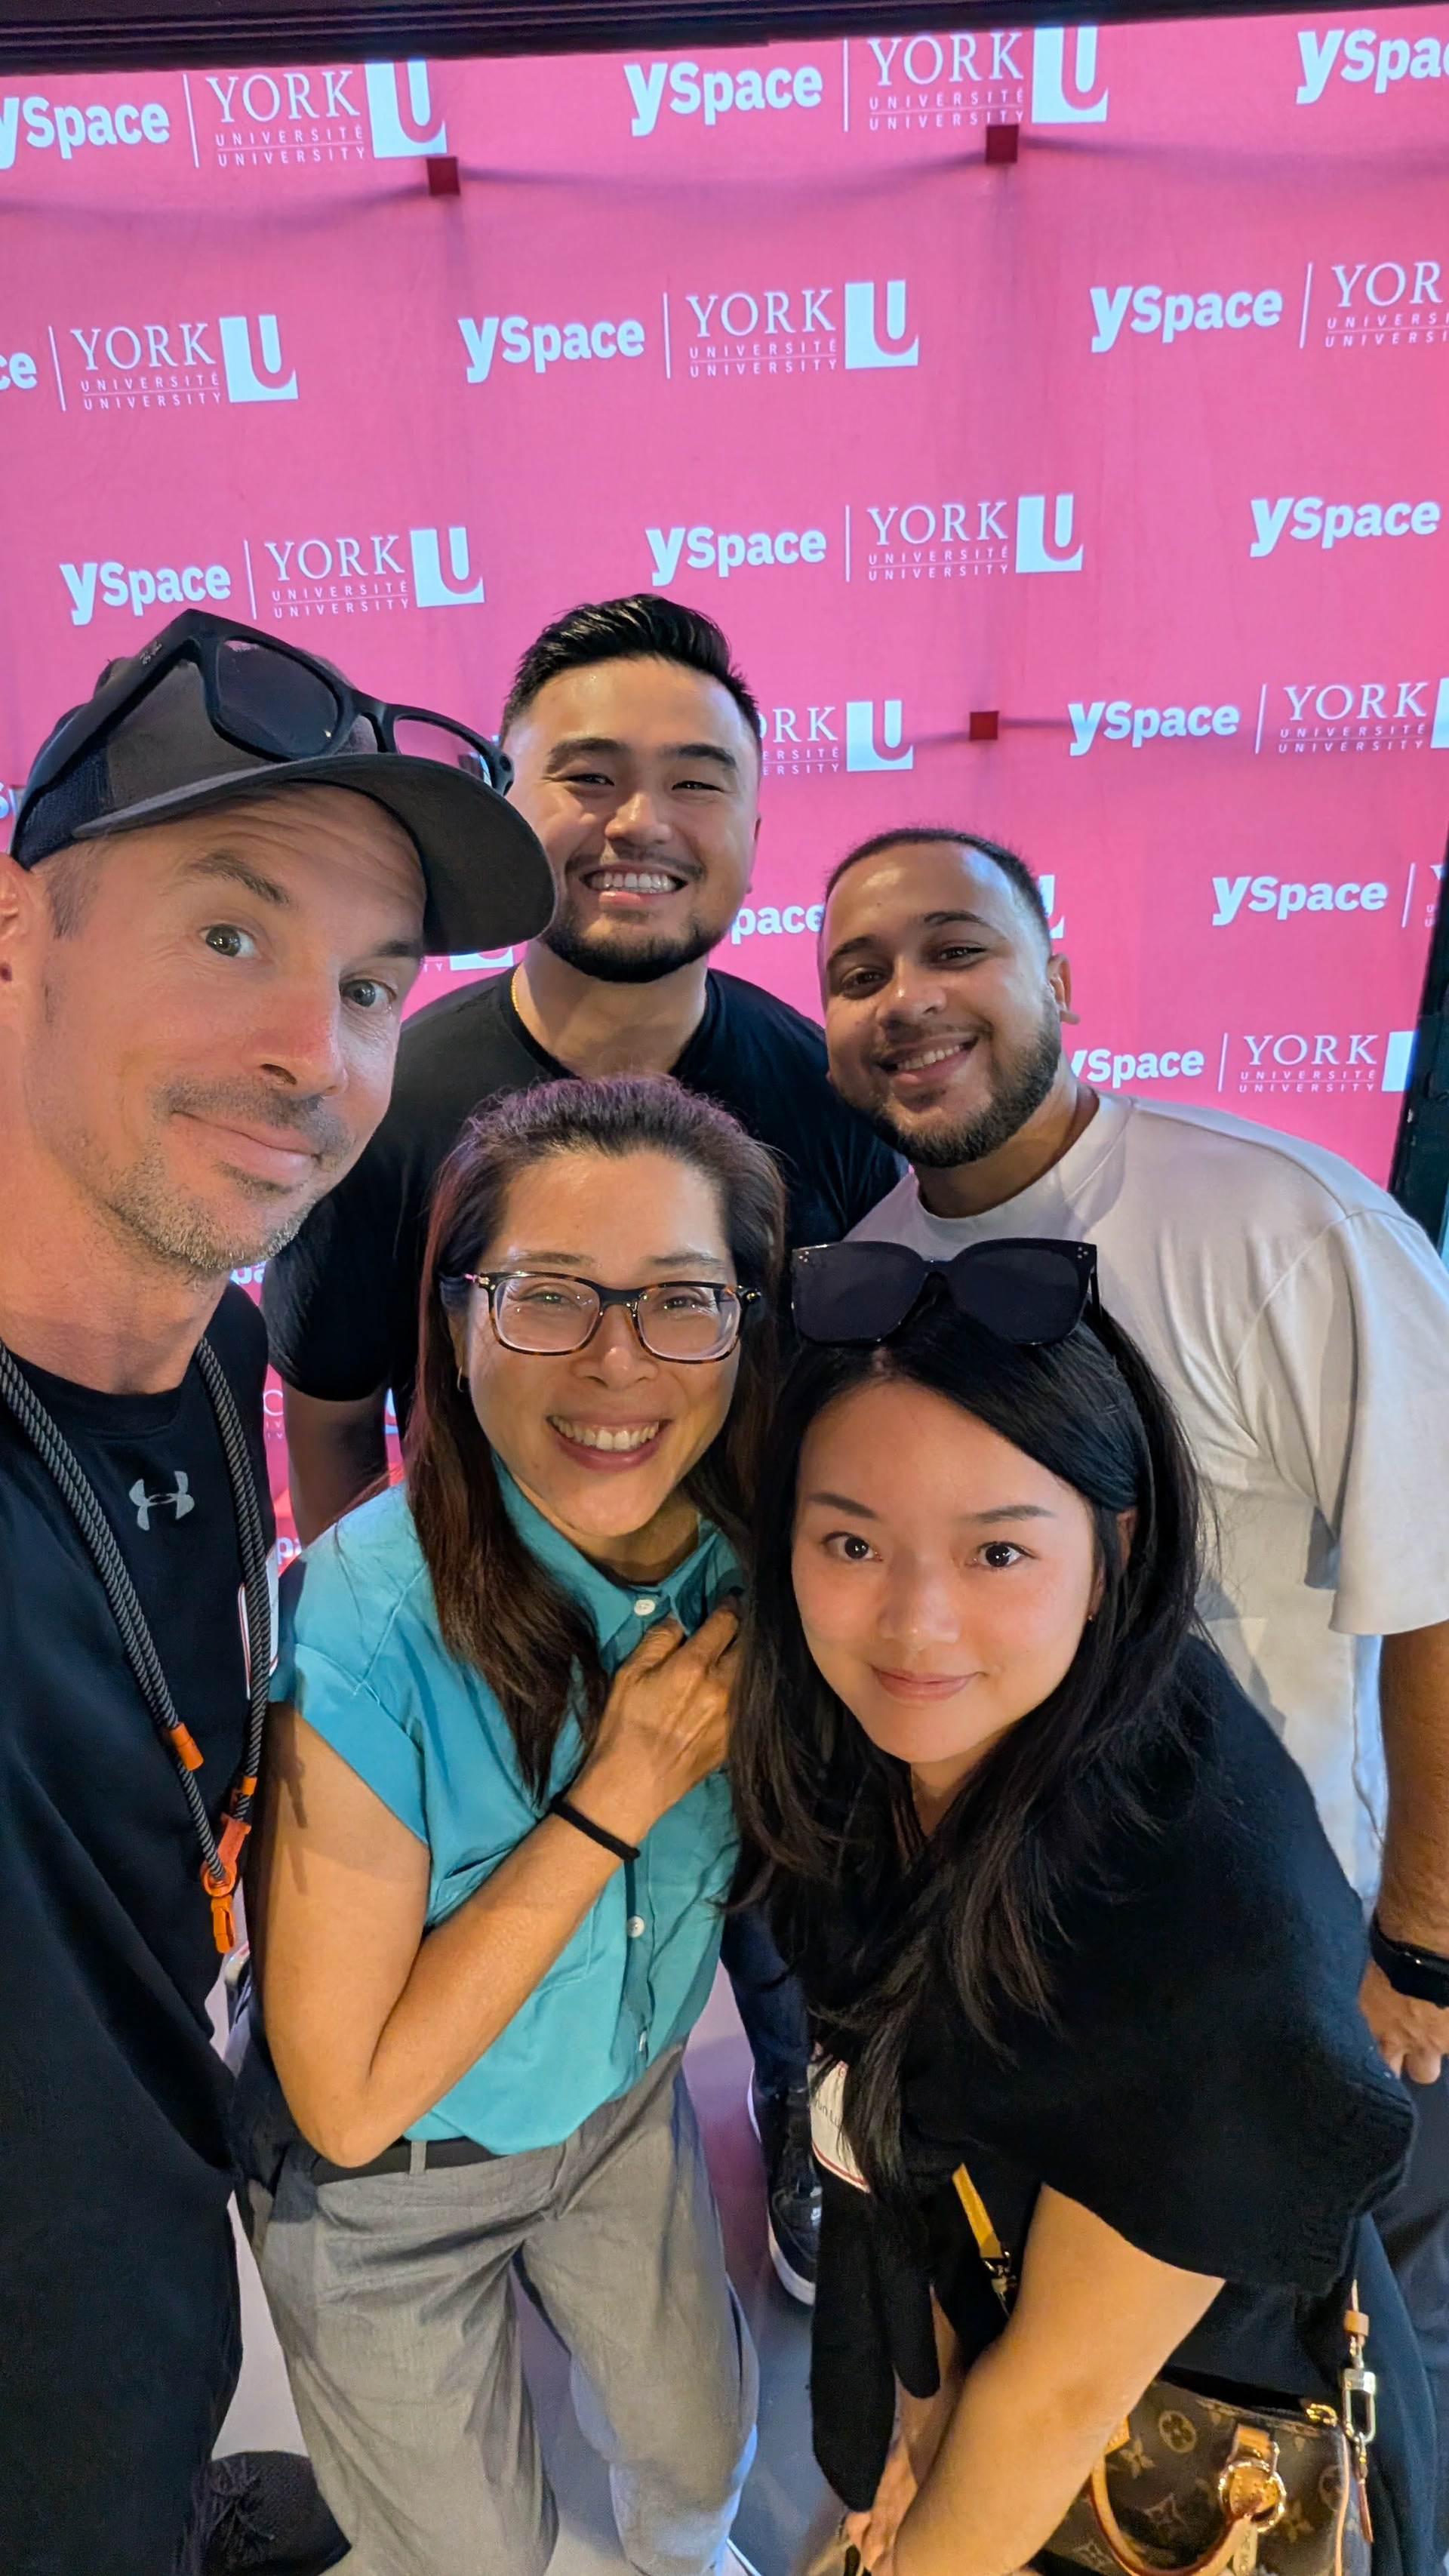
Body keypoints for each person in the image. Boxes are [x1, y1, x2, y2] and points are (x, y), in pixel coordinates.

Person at [0, 607, 552, 2576]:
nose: (314, 1053)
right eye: (229, 933)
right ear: (17, 931)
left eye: (371, 983)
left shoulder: (220, 1355)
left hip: (149, 2328)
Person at [263, 594, 897, 2301]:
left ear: (753, 824)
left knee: (767, 1917)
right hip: (505, 1627)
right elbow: (330, 1400)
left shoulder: (818, 1095)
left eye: (696, 781)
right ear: (510, 806)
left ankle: (793, 2103)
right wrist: (423, 1632)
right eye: (590, 776)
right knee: (520, 1915)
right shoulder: (394, 1093)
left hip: (750, 1625)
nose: (642, 823)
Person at [821, 823, 1449, 2527]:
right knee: (1045, 2413)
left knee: (1302, 2428)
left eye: (955, 948)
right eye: (860, 973)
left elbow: (1437, 1584)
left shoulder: (1273, 1221)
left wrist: (1416, 1941)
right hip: (1007, 1973)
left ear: (1060, 976)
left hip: (1269, 1969)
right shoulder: (870, 1273)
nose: (908, 997)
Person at [731, 1252, 1433, 2576]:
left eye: (998, 1549)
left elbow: (1051, 2405)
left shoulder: (1215, 1947)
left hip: (1188, 2470)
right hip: (974, 2337)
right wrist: (922, 2406)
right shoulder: (873, 1752)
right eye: (851, 1542)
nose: (915, 1622)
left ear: (1113, 1549)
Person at [238, 1075, 783, 2576]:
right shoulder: (371, 1619)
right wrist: (616, 1796)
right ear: (458, 1319)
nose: (618, 1362)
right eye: (549, 1295)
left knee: (702, 2449)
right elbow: (350, 2103)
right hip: (395, 2187)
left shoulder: (759, 1559)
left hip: (622, 2105)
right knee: (470, 2554)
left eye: (680, 1299)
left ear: (744, 1321)